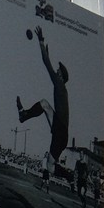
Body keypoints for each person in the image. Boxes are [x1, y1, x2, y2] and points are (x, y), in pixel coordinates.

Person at [16, 25, 70, 181]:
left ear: (61, 77)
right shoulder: (61, 88)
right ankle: (24, 115)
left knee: (51, 167)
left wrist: (40, 41)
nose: (57, 71)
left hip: (61, 132)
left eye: (59, 71)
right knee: (44, 104)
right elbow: (50, 64)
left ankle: (67, 175)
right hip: (61, 130)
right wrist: (47, 52)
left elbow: (46, 64)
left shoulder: (59, 84)